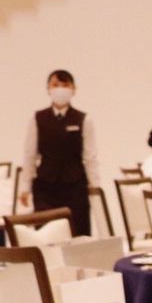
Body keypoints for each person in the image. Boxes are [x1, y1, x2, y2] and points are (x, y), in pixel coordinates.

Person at [20, 69, 99, 235]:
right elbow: (29, 155)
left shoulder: (83, 119)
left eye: (65, 85)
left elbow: (90, 157)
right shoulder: (38, 118)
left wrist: (95, 186)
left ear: (73, 89)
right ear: (48, 89)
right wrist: (25, 186)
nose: (60, 89)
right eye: (55, 85)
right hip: (45, 187)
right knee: (46, 235)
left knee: (78, 234)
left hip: (75, 187)